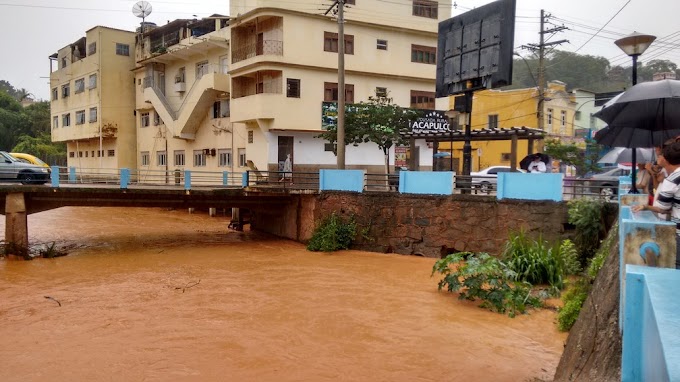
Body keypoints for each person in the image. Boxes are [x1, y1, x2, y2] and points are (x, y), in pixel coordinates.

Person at [632, 139, 680, 269]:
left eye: (660, 154)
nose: (658, 156)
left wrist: (645, 207)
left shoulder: (672, 180)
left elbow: (662, 208)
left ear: (666, 160)